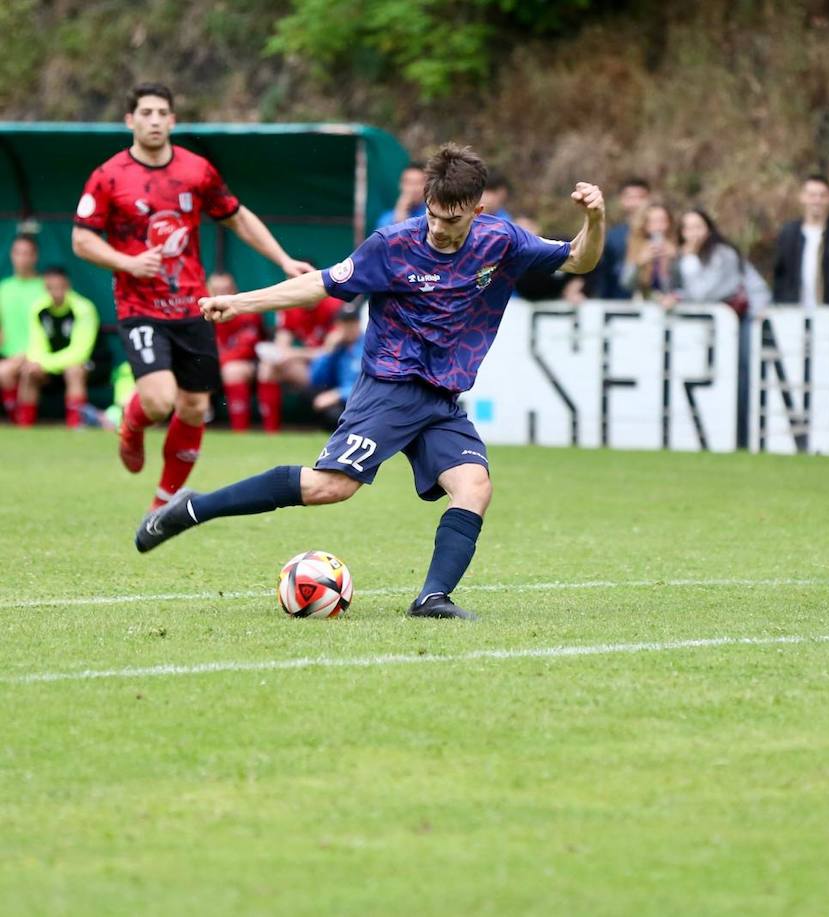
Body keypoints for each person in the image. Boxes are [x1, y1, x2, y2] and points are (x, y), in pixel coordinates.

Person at [134, 143, 606, 622]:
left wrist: (595, 220)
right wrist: (240, 302)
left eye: (453, 219)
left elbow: (578, 260)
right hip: (391, 387)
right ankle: (194, 508)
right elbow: (320, 283)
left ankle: (431, 599)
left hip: (441, 397)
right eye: (433, 215)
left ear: (477, 210)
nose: (439, 229)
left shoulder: (501, 240)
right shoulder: (393, 245)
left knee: (474, 487)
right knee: (331, 487)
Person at [72, 82, 313, 508]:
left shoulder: (196, 171)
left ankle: (162, 504)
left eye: (161, 112)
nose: (153, 120)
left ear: (172, 120)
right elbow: (81, 240)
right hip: (140, 307)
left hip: (192, 307)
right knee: (161, 399)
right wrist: (127, 263)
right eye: (145, 112)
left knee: (194, 407)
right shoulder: (109, 176)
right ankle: (131, 422)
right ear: (130, 120)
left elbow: (236, 218)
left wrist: (283, 260)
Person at [0, 266, 99, 427]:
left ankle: (75, 425)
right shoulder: (39, 308)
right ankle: (23, 427)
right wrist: (37, 365)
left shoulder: (83, 308)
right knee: (29, 371)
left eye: (60, 287)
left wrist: (45, 364)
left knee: (73, 370)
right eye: (50, 287)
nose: (56, 292)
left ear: (68, 286)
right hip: (49, 366)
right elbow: (36, 345)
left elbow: (80, 352)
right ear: (45, 288)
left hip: (88, 364)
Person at [771, 174, 829, 307]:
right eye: (812, 195)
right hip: (795, 315)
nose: (817, 200)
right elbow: (780, 277)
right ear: (802, 197)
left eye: (822, 195)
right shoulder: (788, 234)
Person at [256, 292, 345, 432]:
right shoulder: (290, 307)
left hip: (336, 370)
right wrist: (285, 354)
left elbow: (328, 352)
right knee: (267, 367)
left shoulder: (333, 305)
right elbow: (281, 349)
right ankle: (270, 432)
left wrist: (295, 353)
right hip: (310, 369)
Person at [208, 272, 265, 432]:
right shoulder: (198, 315)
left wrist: (214, 364)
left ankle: (240, 432)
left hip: (249, 365)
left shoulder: (247, 312)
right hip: (213, 365)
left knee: (233, 370)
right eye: (216, 290)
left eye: (226, 290)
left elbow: (245, 351)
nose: (220, 295)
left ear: (234, 291)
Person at [665, 208, 746, 314]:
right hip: (692, 317)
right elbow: (671, 287)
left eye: (698, 227)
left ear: (709, 229)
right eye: (688, 229)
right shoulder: (681, 256)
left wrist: (689, 258)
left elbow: (702, 293)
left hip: (722, 317)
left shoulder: (723, 254)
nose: (694, 233)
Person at [0, 235, 46, 419]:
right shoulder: (3, 288)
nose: (22, 258)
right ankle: (16, 420)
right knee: (4, 372)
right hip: (8, 359)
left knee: (28, 374)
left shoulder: (46, 288)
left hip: (40, 359)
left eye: (27, 253)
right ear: (11, 255)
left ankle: (23, 423)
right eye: (18, 252)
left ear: (35, 256)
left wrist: (29, 355)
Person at [307, 298, 365, 430]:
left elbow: (369, 386)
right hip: (343, 404)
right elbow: (315, 379)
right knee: (328, 411)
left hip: (364, 402)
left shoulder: (368, 345)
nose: (348, 328)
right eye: (345, 324)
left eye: (352, 323)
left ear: (358, 323)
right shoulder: (337, 348)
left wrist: (339, 394)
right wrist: (327, 351)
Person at [593, 178, 651, 299]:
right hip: (618, 304)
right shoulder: (613, 236)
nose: (636, 203)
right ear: (622, 200)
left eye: (641, 197)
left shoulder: (659, 232)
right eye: (630, 197)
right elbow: (604, 275)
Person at [620, 202, 676, 300]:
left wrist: (672, 261)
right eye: (653, 222)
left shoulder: (677, 246)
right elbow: (626, 284)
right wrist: (639, 262)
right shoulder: (636, 246)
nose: (658, 226)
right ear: (645, 225)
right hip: (644, 304)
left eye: (663, 221)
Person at [375, 162, 427, 230]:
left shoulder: (431, 216)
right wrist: (400, 211)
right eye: (409, 183)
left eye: (418, 183)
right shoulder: (386, 219)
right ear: (400, 185)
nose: (413, 188)